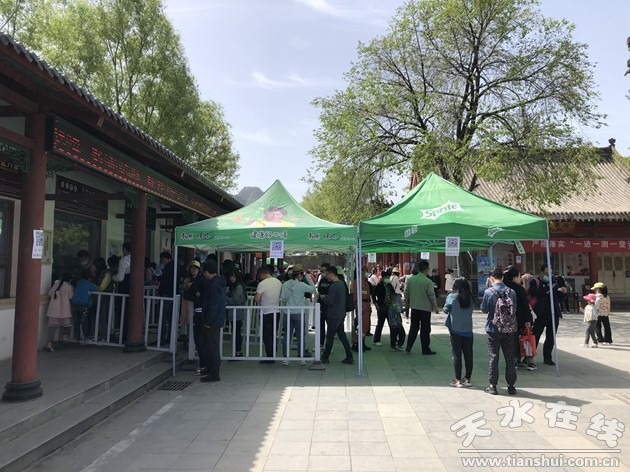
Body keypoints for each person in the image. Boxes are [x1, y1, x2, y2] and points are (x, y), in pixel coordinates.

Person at [480, 268, 518, 395]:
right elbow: (515, 308)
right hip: (509, 329)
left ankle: (493, 385)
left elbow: (484, 309)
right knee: (510, 357)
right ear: (502, 277)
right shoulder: (511, 292)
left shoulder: (488, 292)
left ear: (491, 277)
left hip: (493, 328)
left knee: (493, 357)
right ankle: (511, 385)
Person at [279, 263, 315, 365]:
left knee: (287, 335)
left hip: (287, 312)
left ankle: (286, 358)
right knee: (300, 336)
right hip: (299, 312)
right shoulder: (301, 285)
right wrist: (307, 276)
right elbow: (313, 289)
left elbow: (282, 298)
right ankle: (301, 358)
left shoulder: (285, 284)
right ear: (300, 275)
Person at [530, 264, 563, 366]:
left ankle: (547, 357)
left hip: (554, 313)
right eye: (546, 273)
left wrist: (563, 292)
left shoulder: (555, 282)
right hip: (541, 313)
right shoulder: (536, 282)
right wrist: (547, 288)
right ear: (541, 272)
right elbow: (533, 293)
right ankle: (529, 357)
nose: (548, 275)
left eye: (550, 273)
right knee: (536, 335)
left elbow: (559, 297)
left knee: (551, 337)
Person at [320, 266, 354, 365]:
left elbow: (330, 301)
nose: (326, 277)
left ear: (331, 274)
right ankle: (349, 356)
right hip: (340, 313)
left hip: (333, 314)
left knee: (330, 337)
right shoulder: (342, 284)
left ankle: (325, 357)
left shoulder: (334, 286)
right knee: (342, 335)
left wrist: (323, 298)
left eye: (327, 275)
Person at [199, 259, 226, 383]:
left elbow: (213, 305)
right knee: (209, 346)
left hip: (213, 321)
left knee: (212, 347)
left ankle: (214, 373)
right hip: (216, 319)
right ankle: (211, 370)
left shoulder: (214, 285)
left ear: (206, 272)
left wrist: (208, 321)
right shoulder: (219, 282)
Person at [443, 277, 474, 387]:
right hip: (468, 330)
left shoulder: (452, 297)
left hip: (455, 329)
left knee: (457, 355)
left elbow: (445, 310)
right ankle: (467, 378)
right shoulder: (471, 298)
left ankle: (457, 379)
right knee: (468, 355)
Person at [503, 267, 536, 371]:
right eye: (519, 276)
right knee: (525, 338)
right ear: (515, 277)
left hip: (507, 318)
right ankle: (528, 361)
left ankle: (514, 361)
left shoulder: (504, 288)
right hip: (520, 317)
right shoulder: (519, 289)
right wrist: (528, 319)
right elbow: (524, 305)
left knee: (511, 340)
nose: (520, 278)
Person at [403, 260, 439, 355]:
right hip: (425, 308)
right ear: (426, 269)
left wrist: (407, 304)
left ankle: (408, 347)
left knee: (413, 328)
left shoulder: (411, 279)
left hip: (414, 307)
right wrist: (435, 307)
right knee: (425, 329)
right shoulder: (428, 281)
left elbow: (406, 293)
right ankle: (425, 349)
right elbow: (431, 295)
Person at [183, 260, 207, 375]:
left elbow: (188, 294)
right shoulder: (208, 280)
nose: (193, 270)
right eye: (192, 268)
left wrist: (194, 293)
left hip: (198, 311)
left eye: (196, 268)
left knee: (200, 339)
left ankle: (203, 365)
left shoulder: (200, 280)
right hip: (199, 311)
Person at [254, 266, 283, 363]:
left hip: (265, 312)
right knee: (273, 334)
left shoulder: (262, 284)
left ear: (262, 274)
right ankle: (273, 354)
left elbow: (257, 299)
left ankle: (269, 356)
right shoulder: (278, 282)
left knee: (266, 335)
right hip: (276, 311)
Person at [45, 272, 74, 351]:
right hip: (65, 311)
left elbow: (50, 294)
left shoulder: (55, 285)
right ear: (70, 280)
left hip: (53, 311)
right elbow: (71, 297)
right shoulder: (69, 287)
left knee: (52, 329)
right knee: (66, 327)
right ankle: (63, 340)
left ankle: (49, 344)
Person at [225, 268, 248, 358]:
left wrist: (225, 298)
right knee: (236, 332)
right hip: (235, 313)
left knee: (236, 332)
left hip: (236, 313)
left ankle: (238, 351)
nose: (231, 278)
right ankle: (237, 351)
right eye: (231, 276)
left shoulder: (238, 287)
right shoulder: (236, 286)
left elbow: (235, 300)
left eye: (233, 276)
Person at [71, 270, 97, 342]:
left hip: (74, 303)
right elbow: (96, 289)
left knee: (77, 321)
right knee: (84, 320)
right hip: (83, 303)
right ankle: (86, 336)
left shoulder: (78, 282)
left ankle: (77, 336)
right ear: (89, 278)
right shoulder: (89, 284)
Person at [352, 269, 373, 352]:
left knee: (366, 325)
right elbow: (356, 296)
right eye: (365, 271)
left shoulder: (366, 282)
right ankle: (357, 342)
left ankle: (362, 343)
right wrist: (359, 306)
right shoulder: (358, 282)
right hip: (362, 304)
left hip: (366, 304)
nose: (367, 272)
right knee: (363, 326)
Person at [372, 270, 393, 347]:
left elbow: (393, 294)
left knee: (392, 325)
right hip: (381, 306)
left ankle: (393, 340)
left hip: (389, 307)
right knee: (380, 324)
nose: (388, 279)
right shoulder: (379, 285)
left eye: (388, 277)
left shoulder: (390, 286)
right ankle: (376, 340)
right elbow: (373, 295)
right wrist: (376, 304)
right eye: (386, 277)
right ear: (383, 278)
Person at [316, 262, 332, 348]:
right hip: (321, 306)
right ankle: (321, 343)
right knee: (321, 325)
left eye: (324, 271)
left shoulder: (332, 282)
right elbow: (319, 291)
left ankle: (329, 345)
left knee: (330, 326)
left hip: (329, 307)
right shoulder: (322, 280)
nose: (323, 273)